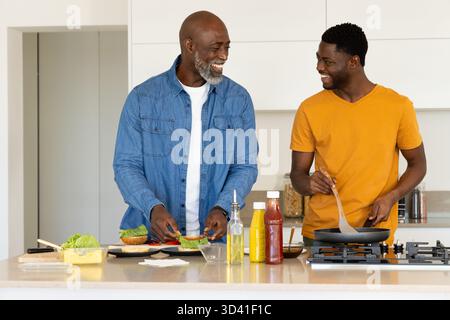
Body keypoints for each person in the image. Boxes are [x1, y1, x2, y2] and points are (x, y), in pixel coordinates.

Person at [113, 11, 258, 243]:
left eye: (227, 48)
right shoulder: (142, 98)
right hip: (154, 242)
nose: (223, 55)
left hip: (214, 243)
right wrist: (153, 208)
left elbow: (245, 167)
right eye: (215, 48)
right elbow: (125, 166)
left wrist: (223, 209)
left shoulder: (238, 100)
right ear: (189, 45)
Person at [290, 23, 426, 246]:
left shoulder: (397, 106)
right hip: (322, 236)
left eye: (328, 61)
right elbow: (297, 175)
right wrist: (309, 183)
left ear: (354, 62)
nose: (319, 67)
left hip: (374, 233)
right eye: (318, 59)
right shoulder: (309, 109)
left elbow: (418, 164)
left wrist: (392, 197)